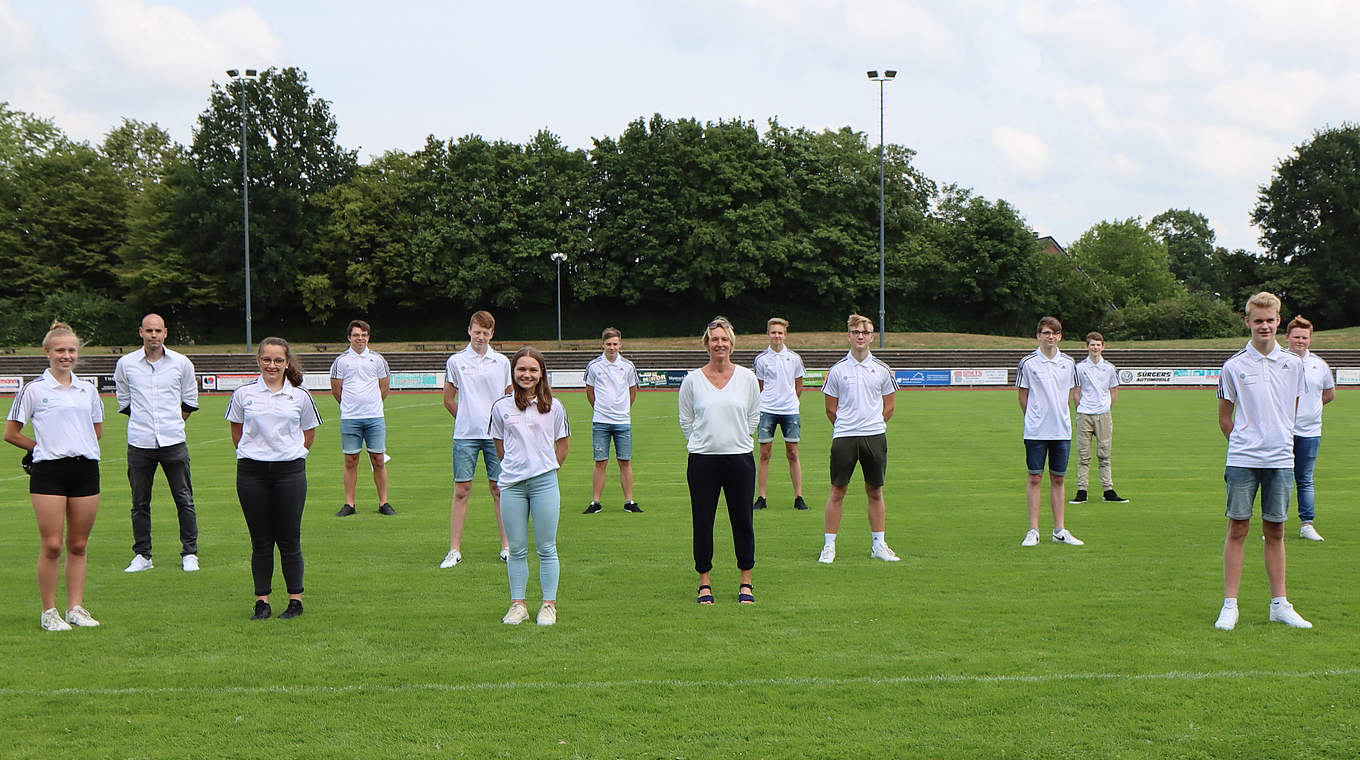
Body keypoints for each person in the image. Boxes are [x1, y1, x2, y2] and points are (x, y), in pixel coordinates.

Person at [1214, 292, 1312, 630]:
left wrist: (1277, 441)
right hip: (1243, 458)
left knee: (1276, 530)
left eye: (1270, 320)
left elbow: (1292, 411)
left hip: (1281, 459)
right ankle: (1230, 604)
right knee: (1237, 528)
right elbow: (1225, 417)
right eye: (1258, 321)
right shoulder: (1234, 366)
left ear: (1278, 321)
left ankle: (1279, 604)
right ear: (1248, 322)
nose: (1265, 326)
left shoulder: (1293, 364)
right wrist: (1246, 443)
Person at [5, 322, 104, 631]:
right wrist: (41, 446)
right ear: (47, 352)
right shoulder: (34, 390)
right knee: (52, 545)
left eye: (71, 350)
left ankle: (75, 608)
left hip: (85, 470)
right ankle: (49, 612)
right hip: (49, 473)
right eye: (60, 350)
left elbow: (96, 429)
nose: (66, 356)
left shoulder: (88, 389)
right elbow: (11, 433)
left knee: (78, 544)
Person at [226, 338, 322, 621]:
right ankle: (262, 601)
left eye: (278, 360)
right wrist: (254, 454)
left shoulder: (300, 396)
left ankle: (295, 600)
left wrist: (293, 455)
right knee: (261, 541)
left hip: (289, 473)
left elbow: (309, 433)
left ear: (287, 363)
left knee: (290, 539)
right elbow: (237, 431)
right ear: (258, 361)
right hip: (251, 474)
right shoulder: (243, 394)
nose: (272, 365)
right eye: (267, 359)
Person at [678, 316, 761, 604]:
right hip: (703, 461)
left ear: (732, 343)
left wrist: (736, 437)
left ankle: (746, 580)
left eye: (724, 339)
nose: (720, 344)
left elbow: (753, 416)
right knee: (702, 522)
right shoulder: (693, 380)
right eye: (715, 339)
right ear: (707, 343)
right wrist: (702, 442)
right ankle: (704, 582)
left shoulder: (747, 379)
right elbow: (686, 420)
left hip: (739, 459)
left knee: (743, 520)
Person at [114, 313, 200, 573]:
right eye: (149, 330)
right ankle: (143, 555)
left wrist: (170, 422)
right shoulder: (126, 364)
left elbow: (189, 401)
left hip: (173, 441)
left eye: (158, 331)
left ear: (165, 333)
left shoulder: (181, 363)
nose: (153, 335)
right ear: (141, 332)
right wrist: (146, 423)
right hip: (139, 443)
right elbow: (125, 401)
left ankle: (190, 553)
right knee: (139, 502)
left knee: (184, 499)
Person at [490, 347, 570, 625]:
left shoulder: (555, 406)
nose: (527, 374)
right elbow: (499, 445)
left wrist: (544, 468)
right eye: (521, 369)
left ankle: (548, 605)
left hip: (544, 484)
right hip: (512, 484)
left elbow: (563, 445)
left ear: (542, 373)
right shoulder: (501, 406)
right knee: (517, 548)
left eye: (533, 369)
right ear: (513, 371)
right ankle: (518, 604)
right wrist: (518, 467)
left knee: (547, 547)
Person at [819, 314, 900, 564]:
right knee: (837, 490)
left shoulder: (882, 369)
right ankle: (829, 546)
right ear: (849, 336)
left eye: (865, 332)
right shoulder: (837, 370)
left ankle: (879, 544)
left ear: (872, 336)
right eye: (856, 332)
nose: (861, 336)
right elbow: (830, 409)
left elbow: (889, 407)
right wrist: (848, 426)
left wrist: (872, 426)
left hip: (874, 436)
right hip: (844, 436)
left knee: (875, 490)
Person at [441, 310, 512, 568]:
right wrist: (466, 418)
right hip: (465, 436)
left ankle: (507, 547)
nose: (481, 336)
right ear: (469, 330)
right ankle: (454, 550)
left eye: (486, 332)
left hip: (496, 436)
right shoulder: (456, 361)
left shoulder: (502, 362)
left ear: (492, 334)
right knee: (461, 490)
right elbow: (448, 399)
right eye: (477, 331)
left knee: (500, 490)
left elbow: (509, 398)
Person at [1017, 317, 1084, 547]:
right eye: (1046, 333)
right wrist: (1035, 417)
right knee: (1035, 477)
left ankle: (1059, 530)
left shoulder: (1068, 362)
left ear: (1060, 336)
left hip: (1061, 430)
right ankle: (1033, 530)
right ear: (1038, 335)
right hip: (1036, 431)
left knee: (1059, 478)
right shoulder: (1028, 363)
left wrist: (1059, 413)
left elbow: (1072, 392)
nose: (1050, 337)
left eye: (1054, 333)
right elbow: (1023, 397)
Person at [329, 319, 393, 517]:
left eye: (364, 335)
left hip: (374, 417)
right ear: (349, 337)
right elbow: (335, 390)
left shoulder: (378, 359)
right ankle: (350, 504)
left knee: (378, 460)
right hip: (350, 418)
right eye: (356, 335)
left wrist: (372, 405)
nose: (360, 339)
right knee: (350, 460)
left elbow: (385, 387)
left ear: (368, 337)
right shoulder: (341, 361)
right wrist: (351, 406)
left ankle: (384, 502)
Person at [1286, 316, 1335, 542]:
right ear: (1287, 337)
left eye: (1304, 337)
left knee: (1305, 478)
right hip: (1283, 431)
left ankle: (1307, 524)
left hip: (1310, 432)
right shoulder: (1279, 362)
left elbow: (1329, 393)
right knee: (1281, 478)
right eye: (1296, 337)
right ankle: (1276, 525)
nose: (1300, 341)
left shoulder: (1320, 365)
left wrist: (1311, 410)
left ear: (1310, 339)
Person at [583, 327, 641, 514]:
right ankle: (596, 502)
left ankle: (629, 501)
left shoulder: (628, 366)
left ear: (620, 344)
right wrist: (600, 408)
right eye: (608, 344)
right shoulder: (594, 366)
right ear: (602, 344)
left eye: (615, 344)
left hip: (622, 421)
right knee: (600, 462)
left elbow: (632, 391)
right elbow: (589, 391)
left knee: (625, 461)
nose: (612, 347)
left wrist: (622, 409)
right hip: (600, 421)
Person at [752, 317, 807, 511]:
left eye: (780, 332)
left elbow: (799, 385)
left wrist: (790, 401)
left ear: (785, 335)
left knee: (793, 453)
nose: (777, 336)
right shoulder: (761, 359)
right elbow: (759, 387)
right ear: (768, 334)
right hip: (767, 409)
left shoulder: (794, 358)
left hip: (790, 410)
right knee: (764, 454)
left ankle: (798, 497)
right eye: (773, 332)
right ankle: (761, 497)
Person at [1070, 331, 1128, 504]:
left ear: (1103, 347)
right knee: (1083, 454)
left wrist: (1106, 408)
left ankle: (1108, 490)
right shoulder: (1079, 368)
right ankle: (1082, 490)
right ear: (1087, 346)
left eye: (1098, 345)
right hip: (1084, 414)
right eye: (1092, 344)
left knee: (1104, 454)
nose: (1095, 348)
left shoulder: (1109, 368)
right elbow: (1076, 390)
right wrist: (1080, 407)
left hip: (1103, 414)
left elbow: (1114, 391)